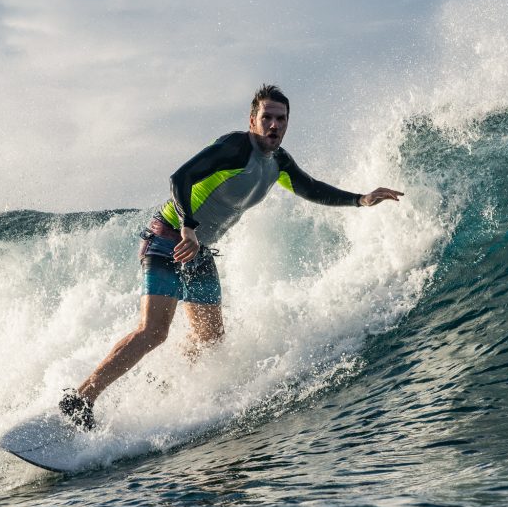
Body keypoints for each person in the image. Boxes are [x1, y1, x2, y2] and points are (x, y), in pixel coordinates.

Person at [59, 85, 403, 430]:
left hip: (199, 252)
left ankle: (160, 388)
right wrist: (188, 227)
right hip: (169, 238)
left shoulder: (278, 163)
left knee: (210, 338)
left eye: (280, 119)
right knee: (154, 331)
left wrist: (361, 199)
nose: (273, 125)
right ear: (253, 119)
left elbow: (311, 188)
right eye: (266, 117)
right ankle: (81, 398)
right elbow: (180, 178)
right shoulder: (235, 148)